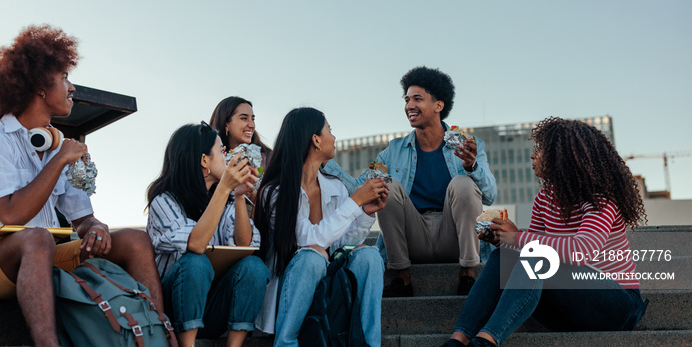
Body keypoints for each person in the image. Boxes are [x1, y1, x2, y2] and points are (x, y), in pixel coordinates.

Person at [0, 25, 164, 347]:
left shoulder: (60, 146)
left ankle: (156, 336)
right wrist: (59, 162)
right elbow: (11, 214)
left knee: (136, 241)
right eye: (64, 78)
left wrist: (96, 228)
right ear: (41, 87)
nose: (72, 88)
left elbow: (82, 219)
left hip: (42, 255)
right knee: (38, 239)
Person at [441, 117, 649, 347]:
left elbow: (580, 252)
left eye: (540, 149)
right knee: (505, 255)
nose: (533, 155)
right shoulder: (544, 199)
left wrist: (517, 237)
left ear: (564, 156)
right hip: (567, 307)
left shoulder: (600, 199)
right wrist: (501, 239)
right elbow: (528, 246)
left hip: (617, 306)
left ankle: (486, 341)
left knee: (534, 254)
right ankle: (458, 340)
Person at [323, 66, 497, 296]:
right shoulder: (393, 151)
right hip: (412, 238)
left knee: (463, 183)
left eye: (417, 99)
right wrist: (327, 163)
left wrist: (471, 166)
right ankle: (401, 277)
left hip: (453, 237)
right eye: (407, 100)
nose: (409, 106)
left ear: (438, 105)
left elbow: (490, 196)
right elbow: (360, 190)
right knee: (387, 184)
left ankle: (467, 273)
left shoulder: (467, 145)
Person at [253, 107, 388, 347]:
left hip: (328, 280)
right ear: (316, 140)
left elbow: (340, 244)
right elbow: (309, 240)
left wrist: (365, 213)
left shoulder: (334, 186)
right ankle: (285, 342)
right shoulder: (276, 192)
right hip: (291, 286)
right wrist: (355, 201)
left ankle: (368, 343)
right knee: (312, 257)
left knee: (369, 255)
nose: (334, 138)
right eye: (330, 130)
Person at [146, 123, 270, 347]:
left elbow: (244, 244)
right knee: (196, 262)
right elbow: (196, 244)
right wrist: (224, 189)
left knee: (254, 266)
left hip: (211, 307)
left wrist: (239, 195)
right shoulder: (164, 202)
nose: (227, 156)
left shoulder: (225, 198)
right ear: (204, 160)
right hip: (173, 307)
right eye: (222, 151)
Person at [210, 96, 272, 209]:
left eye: (253, 119)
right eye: (244, 118)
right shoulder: (212, 160)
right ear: (226, 124)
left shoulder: (268, 159)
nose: (252, 125)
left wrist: (253, 195)